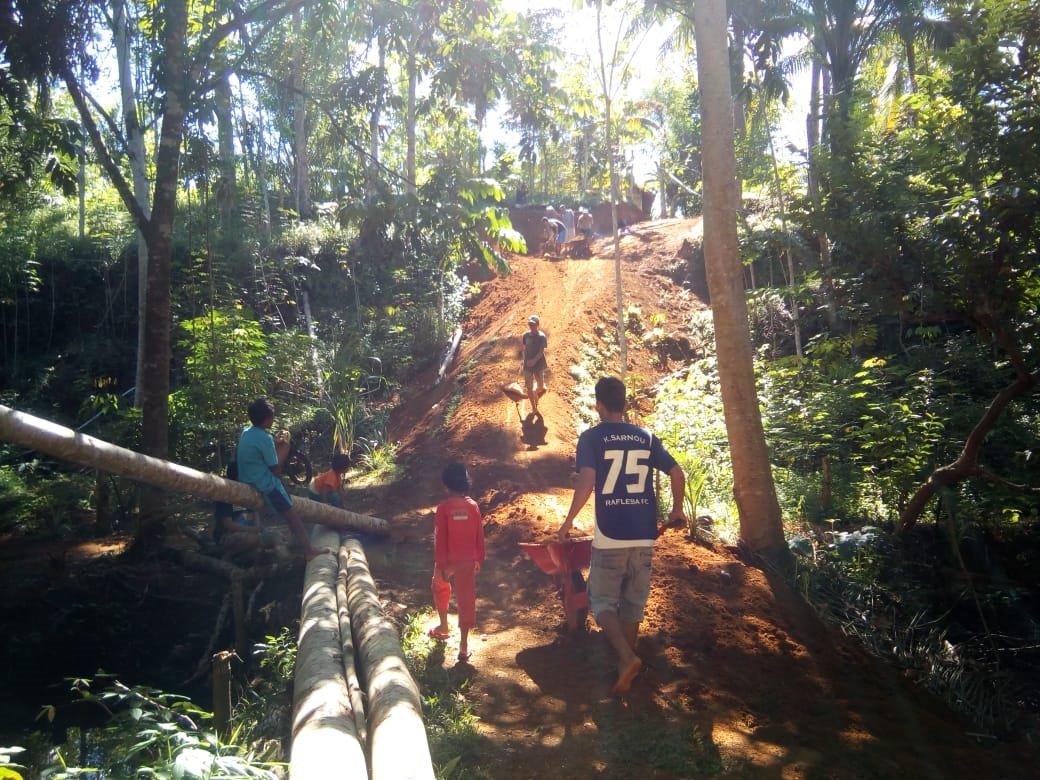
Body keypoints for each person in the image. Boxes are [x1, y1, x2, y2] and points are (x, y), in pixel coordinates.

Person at [556, 376, 686, 695]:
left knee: (600, 599)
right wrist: (677, 511)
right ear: (624, 404)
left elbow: (587, 481)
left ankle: (626, 657)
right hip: (644, 535)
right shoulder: (645, 436)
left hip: (611, 534)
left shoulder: (591, 438)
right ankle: (625, 668)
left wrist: (568, 522)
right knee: (633, 604)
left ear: (598, 404)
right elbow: (677, 472)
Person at [237, 398, 330, 561]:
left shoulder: (246, 432)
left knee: (285, 507)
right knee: (292, 515)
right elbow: (276, 470)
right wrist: (284, 449)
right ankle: (309, 550)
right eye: (272, 417)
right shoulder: (265, 438)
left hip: (247, 479)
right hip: (264, 483)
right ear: (267, 419)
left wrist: (275, 443)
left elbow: (257, 451)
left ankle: (295, 543)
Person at [429, 462, 485, 663]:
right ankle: (463, 646)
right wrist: (478, 558)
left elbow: (440, 539)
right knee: (466, 599)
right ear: (465, 482)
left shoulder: (443, 509)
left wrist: (442, 565)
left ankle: (443, 626)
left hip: (449, 560)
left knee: (439, 586)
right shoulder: (473, 506)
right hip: (468, 559)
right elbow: (479, 534)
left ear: (446, 484)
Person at [521, 314, 548, 416]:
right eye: (530, 324)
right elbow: (524, 348)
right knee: (529, 387)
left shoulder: (542, 337)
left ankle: (536, 394)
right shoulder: (526, 336)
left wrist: (534, 360)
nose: (531, 326)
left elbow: (541, 351)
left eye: (533, 324)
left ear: (537, 325)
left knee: (540, 387)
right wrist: (524, 359)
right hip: (527, 365)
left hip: (538, 365)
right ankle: (533, 407)